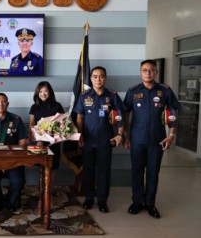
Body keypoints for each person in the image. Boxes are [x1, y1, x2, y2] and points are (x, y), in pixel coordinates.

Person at [123, 59, 179, 219]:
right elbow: (126, 113)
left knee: (153, 172)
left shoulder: (165, 91)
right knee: (137, 172)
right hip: (137, 139)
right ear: (140, 72)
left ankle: (150, 204)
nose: (148, 73)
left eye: (151, 70)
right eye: (144, 70)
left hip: (157, 140)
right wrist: (126, 135)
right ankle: (137, 202)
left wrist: (172, 135)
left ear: (156, 72)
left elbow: (173, 112)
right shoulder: (133, 91)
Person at [73, 66, 125, 213]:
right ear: (91, 78)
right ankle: (89, 199)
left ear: (105, 78)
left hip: (105, 141)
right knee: (88, 171)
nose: (98, 79)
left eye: (101, 76)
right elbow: (80, 117)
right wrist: (79, 135)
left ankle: (102, 201)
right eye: (95, 76)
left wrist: (120, 134)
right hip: (88, 141)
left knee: (103, 172)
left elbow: (121, 116)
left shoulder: (113, 96)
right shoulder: (84, 96)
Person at [28, 81, 65, 194]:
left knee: (52, 168)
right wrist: (33, 137)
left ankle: (49, 192)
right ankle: (41, 192)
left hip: (54, 142)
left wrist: (55, 133)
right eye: (40, 91)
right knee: (41, 167)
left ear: (50, 92)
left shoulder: (57, 105)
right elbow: (31, 124)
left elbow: (63, 123)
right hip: (40, 142)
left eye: (45, 91)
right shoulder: (34, 107)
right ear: (37, 93)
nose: (43, 94)